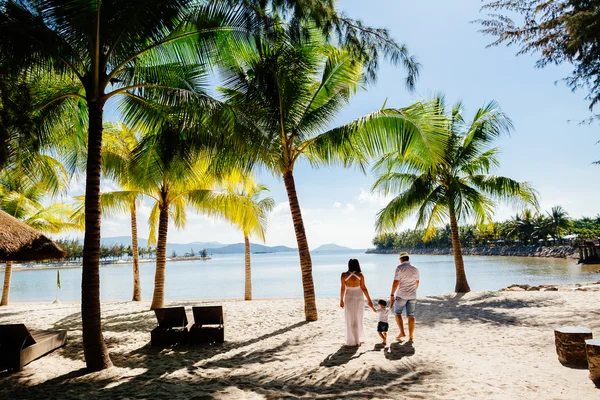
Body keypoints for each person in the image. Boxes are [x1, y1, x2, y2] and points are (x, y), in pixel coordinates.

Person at [340, 259, 376, 347]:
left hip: (349, 297)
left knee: (350, 318)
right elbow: (364, 288)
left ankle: (354, 340)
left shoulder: (344, 275)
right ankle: (358, 340)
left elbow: (343, 288)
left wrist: (341, 300)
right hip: (359, 297)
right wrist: (369, 300)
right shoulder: (360, 275)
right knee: (358, 318)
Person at [390, 252, 420, 342]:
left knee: (397, 313)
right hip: (412, 295)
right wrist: (413, 290)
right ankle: (411, 336)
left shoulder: (399, 268)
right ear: (408, 258)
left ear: (400, 259)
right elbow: (417, 282)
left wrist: (392, 294)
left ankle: (402, 332)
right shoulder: (415, 269)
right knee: (411, 315)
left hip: (401, 295)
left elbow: (396, 282)